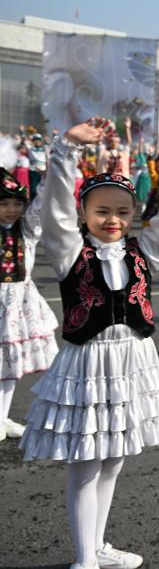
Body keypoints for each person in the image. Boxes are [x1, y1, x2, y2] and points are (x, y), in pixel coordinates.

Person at [19, 116, 159, 569]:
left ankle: (96, 546)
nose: (113, 220)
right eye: (101, 211)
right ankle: (84, 560)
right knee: (85, 464)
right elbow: (56, 210)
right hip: (86, 365)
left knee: (114, 459)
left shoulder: (145, 252)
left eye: (122, 211)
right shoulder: (70, 252)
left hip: (132, 362)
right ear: (83, 214)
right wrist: (66, 150)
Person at [0, 167, 58, 442]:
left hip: (19, 305)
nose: (12, 210)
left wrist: (54, 171)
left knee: (10, 364)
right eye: (4, 204)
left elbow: (42, 203)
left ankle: (2, 416)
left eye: (16, 204)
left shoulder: (27, 230)